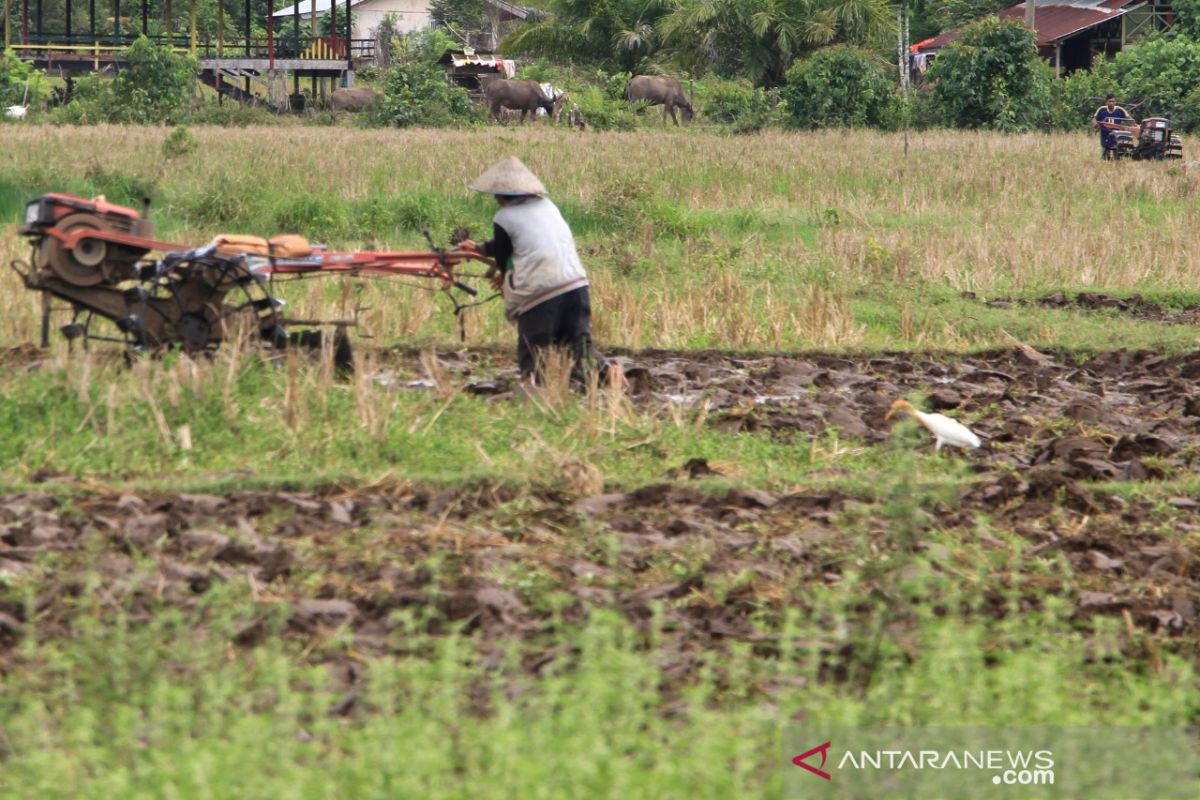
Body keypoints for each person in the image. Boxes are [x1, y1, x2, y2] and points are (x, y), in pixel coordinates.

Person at [457, 157, 624, 389]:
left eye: (496, 195)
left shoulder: (503, 217)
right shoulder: (548, 206)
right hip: (576, 284)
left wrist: (504, 278)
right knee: (578, 344)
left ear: (502, 195)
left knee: (532, 347)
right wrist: (479, 248)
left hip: (542, 290)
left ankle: (535, 392)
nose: (495, 200)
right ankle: (610, 374)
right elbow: (526, 241)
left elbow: (504, 257)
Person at [1092, 95, 1131, 160]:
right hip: (1105, 134)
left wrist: (1132, 126)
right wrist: (1095, 124)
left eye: (1113, 101)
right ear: (1106, 102)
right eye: (1109, 101)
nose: (1111, 103)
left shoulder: (1120, 110)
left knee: (1117, 154)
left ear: (1115, 102)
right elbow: (1094, 119)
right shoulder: (1102, 109)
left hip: (1117, 135)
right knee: (1105, 153)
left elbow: (1129, 119)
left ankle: (1117, 167)